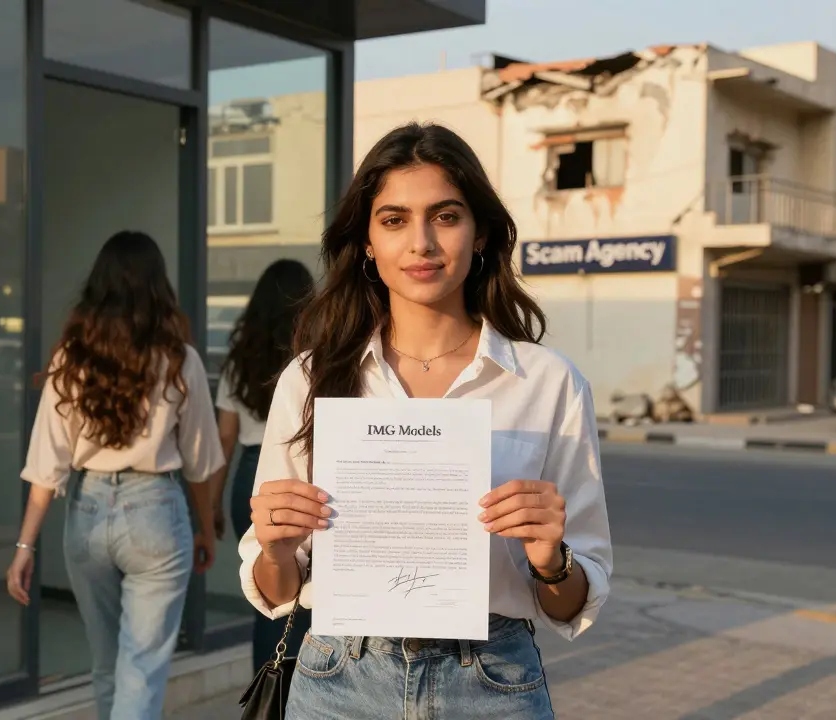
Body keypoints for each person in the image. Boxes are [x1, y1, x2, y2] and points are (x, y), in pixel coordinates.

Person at [238, 123, 613, 719]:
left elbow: (572, 603)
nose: (421, 243)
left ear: (481, 232)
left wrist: (551, 559)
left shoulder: (547, 383)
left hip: (492, 682)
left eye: (445, 216)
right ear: (365, 241)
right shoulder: (311, 379)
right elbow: (278, 591)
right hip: (339, 680)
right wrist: (276, 550)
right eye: (393, 220)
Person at [7, 231, 225, 720]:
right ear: (157, 286)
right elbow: (200, 459)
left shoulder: (73, 356)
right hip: (156, 513)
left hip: (85, 512)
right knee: (140, 669)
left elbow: (48, 462)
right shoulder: (179, 358)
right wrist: (205, 529)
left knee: (107, 665)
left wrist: (25, 546)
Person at [210, 259, 315, 674]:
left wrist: (213, 504)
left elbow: (224, 436)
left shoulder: (240, 358)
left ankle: (267, 691)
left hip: (249, 480)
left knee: (266, 592)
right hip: (302, 476)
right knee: (304, 593)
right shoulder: (314, 356)